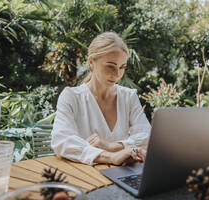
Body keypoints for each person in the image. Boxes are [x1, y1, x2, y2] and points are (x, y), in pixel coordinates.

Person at [51, 32, 151, 166]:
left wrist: (113, 146)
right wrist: (111, 157)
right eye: (110, 66)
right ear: (91, 62)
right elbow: (62, 140)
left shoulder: (129, 97)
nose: (117, 74)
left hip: (123, 174)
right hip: (85, 178)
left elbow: (147, 137)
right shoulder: (72, 97)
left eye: (122, 67)